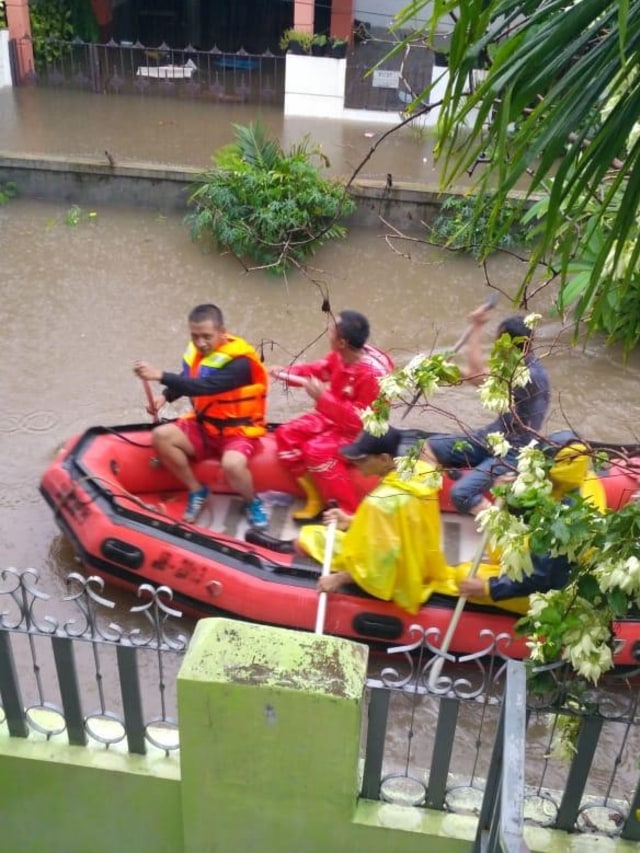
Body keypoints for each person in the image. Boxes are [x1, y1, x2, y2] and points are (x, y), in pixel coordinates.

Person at [248, 427, 456, 614]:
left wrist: (339, 578)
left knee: (315, 537)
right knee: (318, 535)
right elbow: (400, 525)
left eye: (363, 459)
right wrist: (350, 520)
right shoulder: (420, 473)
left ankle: (282, 551)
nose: (356, 463)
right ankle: (282, 547)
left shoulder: (381, 503)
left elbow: (380, 566)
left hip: (396, 576)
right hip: (419, 559)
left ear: (384, 459)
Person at [133, 303, 269, 528]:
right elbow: (189, 377)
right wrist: (165, 397)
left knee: (233, 465)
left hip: (238, 432)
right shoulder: (197, 352)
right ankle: (197, 490)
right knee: (161, 437)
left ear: (222, 332)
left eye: (206, 336)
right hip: (205, 426)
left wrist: (159, 375)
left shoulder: (240, 363)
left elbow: (205, 386)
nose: (200, 343)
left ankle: (251, 501)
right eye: (195, 336)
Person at [420, 307, 550, 516]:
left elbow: (474, 375)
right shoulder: (515, 366)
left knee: (460, 494)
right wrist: (438, 369)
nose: (497, 346)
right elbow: (474, 378)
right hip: (493, 436)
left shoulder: (527, 375)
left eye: (499, 341)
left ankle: (500, 528)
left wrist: (477, 326)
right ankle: (424, 512)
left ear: (513, 344)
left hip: (514, 451)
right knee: (428, 446)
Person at [270, 310, 393, 519]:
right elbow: (320, 369)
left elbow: (362, 423)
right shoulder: (342, 356)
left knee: (316, 450)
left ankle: (347, 510)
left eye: (331, 331)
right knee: (285, 434)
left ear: (342, 342)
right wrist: (286, 373)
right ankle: (316, 496)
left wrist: (324, 399)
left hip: (362, 433)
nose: (328, 334)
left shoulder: (372, 375)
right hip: (333, 416)